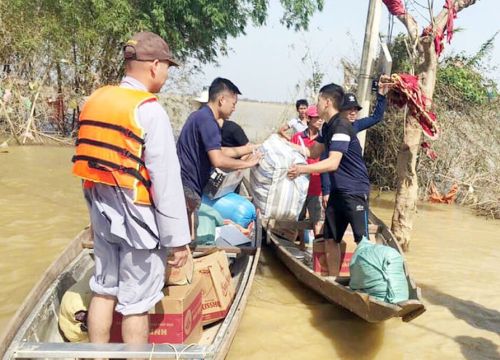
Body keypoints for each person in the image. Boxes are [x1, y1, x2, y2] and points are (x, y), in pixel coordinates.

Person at [72, 32, 191, 345]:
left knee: (103, 289)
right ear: (154, 66)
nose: (166, 75)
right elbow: (165, 180)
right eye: (167, 67)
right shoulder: (150, 111)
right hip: (137, 218)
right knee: (136, 304)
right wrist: (178, 241)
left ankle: (97, 355)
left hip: (100, 212)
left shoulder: (94, 101)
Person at [287, 83, 371, 276]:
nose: (315, 104)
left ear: (326, 102)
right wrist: (283, 146)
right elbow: (312, 150)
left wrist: (302, 169)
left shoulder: (341, 126)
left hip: (355, 191)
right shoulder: (328, 126)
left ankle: (366, 282)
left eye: (318, 100)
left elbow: (332, 163)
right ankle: (333, 279)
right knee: (330, 238)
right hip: (338, 191)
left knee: (363, 240)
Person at [177, 78, 261, 237]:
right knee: (188, 240)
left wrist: (248, 149)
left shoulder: (199, 116)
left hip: (183, 185)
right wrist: (247, 164)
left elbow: (219, 150)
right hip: (188, 188)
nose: (234, 108)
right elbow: (218, 160)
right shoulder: (209, 122)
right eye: (234, 103)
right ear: (222, 100)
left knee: (187, 236)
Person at [320, 76, 390, 204]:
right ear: (339, 110)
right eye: (349, 109)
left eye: (355, 109)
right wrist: (326, 190)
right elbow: (324, 158)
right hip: (336, 185)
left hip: (352, 186)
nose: (353, 113)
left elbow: (376, 117)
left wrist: (380, 94)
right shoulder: (329, 128)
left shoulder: (355, 125)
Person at [290, 105, 324, 249]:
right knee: (299, 218)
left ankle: (318, 250)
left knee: (317, 220)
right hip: (299, 186)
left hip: (317, 186)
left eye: (321, 118)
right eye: (317, 118)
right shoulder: (297, 138)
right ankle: (302, 246)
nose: (320, 121)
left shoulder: (324, 139)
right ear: (309, 119)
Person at [191, 89, 257, 158]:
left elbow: (248, 149)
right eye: (201, 106)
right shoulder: (200, 127)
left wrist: (238, 165)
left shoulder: (233, 128)